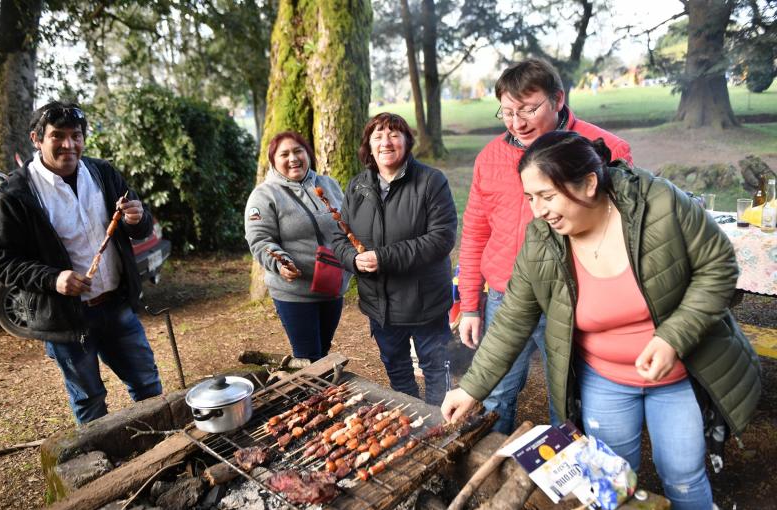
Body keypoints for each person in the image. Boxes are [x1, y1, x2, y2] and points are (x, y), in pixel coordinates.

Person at [443, 130, 761, 510]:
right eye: (530, 199)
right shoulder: (542, 240)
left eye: (547, 196)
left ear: (589, 183)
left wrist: (672, 338)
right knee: (608, 478)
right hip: (604, 379)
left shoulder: (658, 204)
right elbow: (513, 320)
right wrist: (472, 388)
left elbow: (718, 267)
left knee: (682, 473)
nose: (538, 211)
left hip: (677, 372)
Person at [457, 58, 632, 434]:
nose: (517, 123)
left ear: (557, 100)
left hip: (574, 297)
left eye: (528, 109)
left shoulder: (603, 149)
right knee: (495, 392)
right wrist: (470, 304)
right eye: (507, 112)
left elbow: (624, 231)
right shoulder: (490, 158)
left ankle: (566, 480)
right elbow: (474, 231)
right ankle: (493, 470)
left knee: (568, 397)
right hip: (508, 296)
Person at [0, 101, 163, 424]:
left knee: (148, 387)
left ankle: (168, 459)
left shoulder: (103, 174)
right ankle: (103, 472)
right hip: (66, 320)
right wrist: (54, 279)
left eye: (76, 135)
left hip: (117, 307)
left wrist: (136, 219)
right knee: (90, 403)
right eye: (58, 136)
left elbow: (140, 224)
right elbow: (2, 260)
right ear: (37, 139)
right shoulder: (15, 194)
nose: (69, 144)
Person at [332, 113, 458, 406]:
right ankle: (411, 420)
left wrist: (384, 258)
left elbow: (441, 239)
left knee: (436, 371)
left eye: (394, 134)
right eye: (378, 136)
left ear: (407, 141)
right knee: (398, 371)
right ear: (369, 145)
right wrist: (352, 259)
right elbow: (340, 238)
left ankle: (441, 423)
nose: (385, 142)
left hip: (424, 303)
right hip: (380, 306)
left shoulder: (430, 181)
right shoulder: (357, 186)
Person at [245, 131, 351, 362]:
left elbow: (347, 224)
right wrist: (280, 263)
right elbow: (260, 240)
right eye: (284, 154)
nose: (293, 158)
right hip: (296, 293)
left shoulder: (328, 184)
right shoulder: (264, 195)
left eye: (298, 151)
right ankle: (307, 397)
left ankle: (320, 395)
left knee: (322, 352)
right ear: (274, 161)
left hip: (332, 287)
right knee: (308, 357)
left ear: (308, 154)